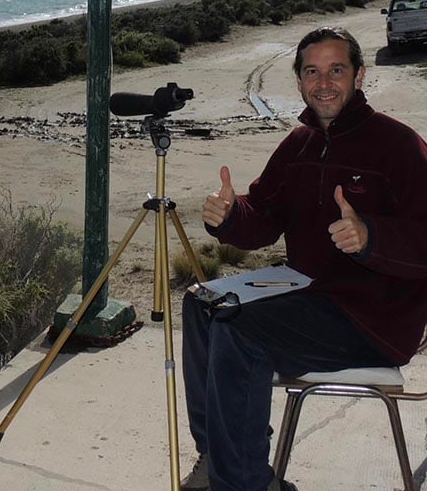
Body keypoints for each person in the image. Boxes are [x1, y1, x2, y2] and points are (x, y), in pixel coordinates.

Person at [180, 26, 427, 491]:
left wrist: (372, 237)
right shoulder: (299, 145)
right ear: (298, 81)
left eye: (337, 70)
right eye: (312, 71)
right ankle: (217, 457)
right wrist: (229, 216)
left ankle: (244, 483)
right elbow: (262, 220)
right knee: (200, 304)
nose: (325, 82)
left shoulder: (398, 146)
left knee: (238, 328)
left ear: (359, 76)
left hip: (373, 319)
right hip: (305, 294)